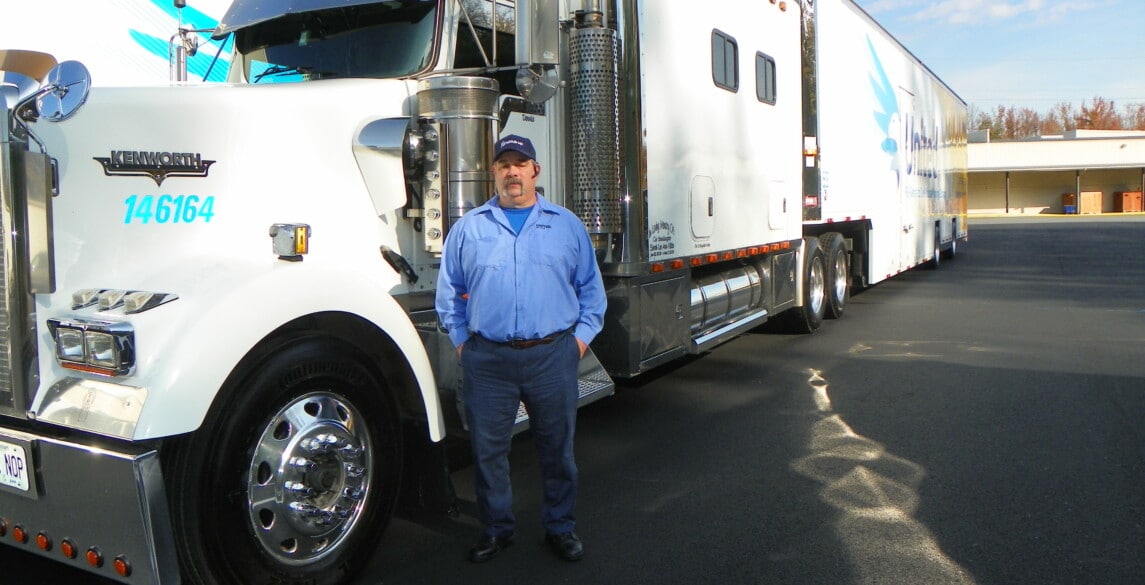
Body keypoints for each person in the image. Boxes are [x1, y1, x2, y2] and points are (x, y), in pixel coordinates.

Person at [435, 134, 607, 563]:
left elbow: (592, 292)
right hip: (487, 360)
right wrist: (462, 344)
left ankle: (560, 528)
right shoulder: (469, 228)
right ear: (493, 172)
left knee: (557, 451)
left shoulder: (566, 225)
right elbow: (448, 295)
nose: (512, 171)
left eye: (520, 163)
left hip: (552, 355)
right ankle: (497, 529)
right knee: (488, 452)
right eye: (504, 164)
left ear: (535, 171)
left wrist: (578, 342)